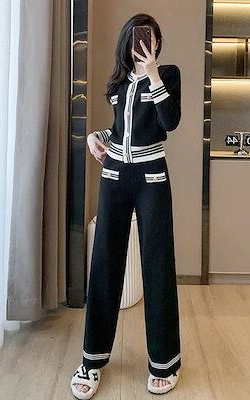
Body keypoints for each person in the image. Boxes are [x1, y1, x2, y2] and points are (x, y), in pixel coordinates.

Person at [70, 13, 182, 399]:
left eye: (151, 38)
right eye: (138, 38)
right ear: (127, 42)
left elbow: (169, 122)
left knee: (158, 264)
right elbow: (121, 131)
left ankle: (164, 362)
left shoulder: (168, 75)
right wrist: (94, 136)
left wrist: (152, 74)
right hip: (114, 175)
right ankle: (91, 360)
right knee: (104, 262)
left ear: (157, 43)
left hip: (153, 178)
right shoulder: (118, 83)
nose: (146, 44)